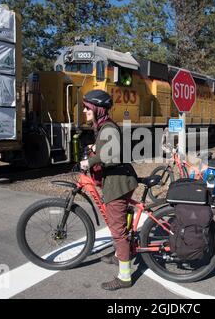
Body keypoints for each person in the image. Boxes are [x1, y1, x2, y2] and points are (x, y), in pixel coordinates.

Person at [79, 89, 138, 291]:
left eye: (88, 108)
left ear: (98, 109)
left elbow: (110, 157)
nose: (85, 111)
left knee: (117, 231)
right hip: (119, 179)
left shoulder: (108, 128)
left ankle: (124, 277)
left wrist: (90, 161)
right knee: (119, 222)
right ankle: (117, 255)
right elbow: (108, 148)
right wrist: (95, 149)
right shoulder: (104, 126)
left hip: (118, 183)